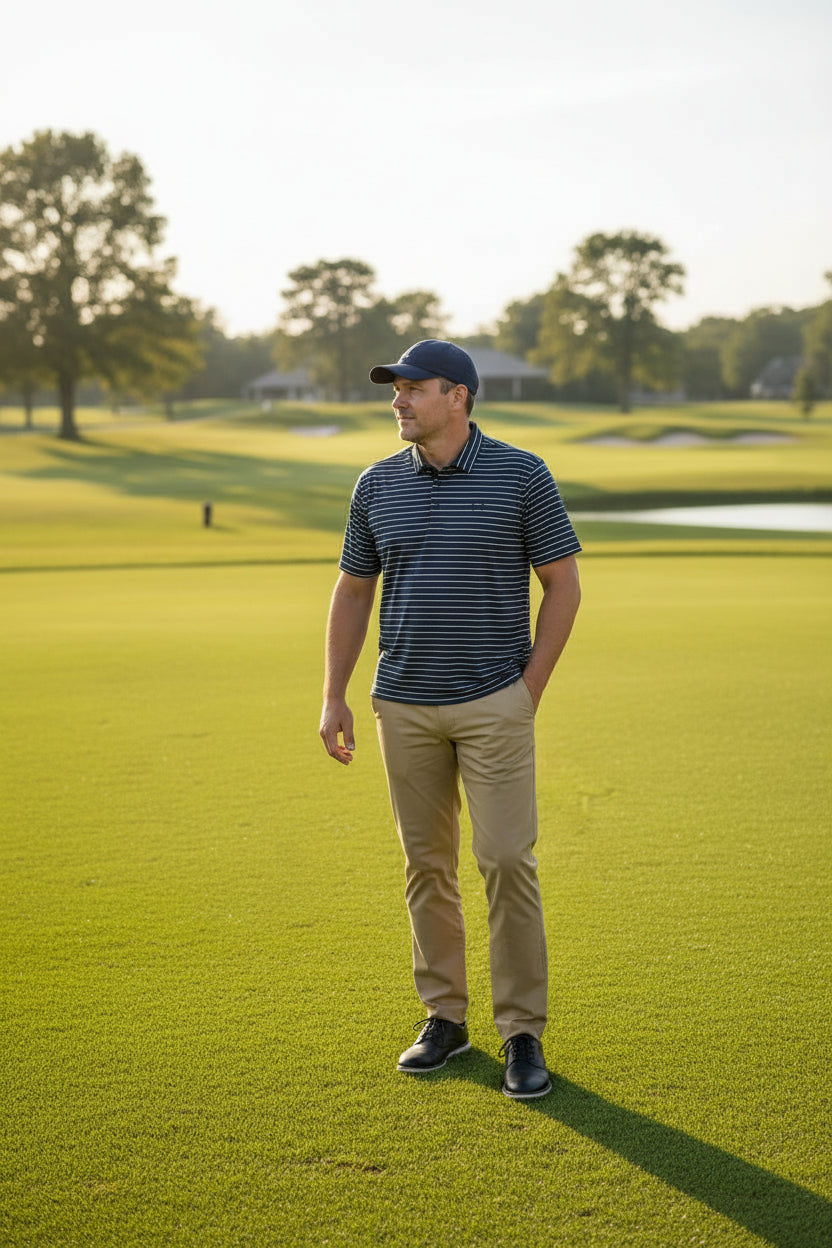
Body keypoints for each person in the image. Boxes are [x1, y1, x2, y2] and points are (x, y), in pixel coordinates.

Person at [319, 339, 581, 1098]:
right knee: (426, 866)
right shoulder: (376, 485)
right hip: (402, 703)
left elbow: (562, 586)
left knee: (505, 860)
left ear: (458, 396)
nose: (397, 400)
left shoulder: (522, 475)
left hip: (495, 701)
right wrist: (334, 693)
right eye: (394, 389)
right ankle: (446, 1017)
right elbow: (352, 591)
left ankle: (521, 1030)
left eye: (412, 388)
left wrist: (528, 689)